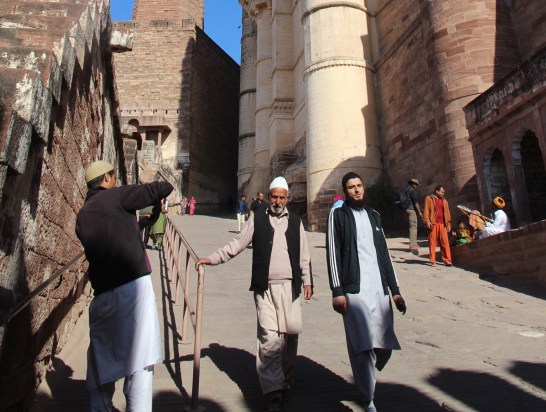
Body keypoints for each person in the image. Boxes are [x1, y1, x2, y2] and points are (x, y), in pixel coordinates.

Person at [196, 177, 312, 412]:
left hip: (290, 289)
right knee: (269, 339)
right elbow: (237, 244)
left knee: (290, 338)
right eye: (274, 197)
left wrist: (308, 281)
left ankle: (285, 382)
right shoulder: (257, 219)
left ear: (287, 198)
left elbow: (304, 255)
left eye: (281, 198)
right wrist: (214, 258)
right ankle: (273, 393)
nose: (278, 202)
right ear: (268, 197)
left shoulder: (297, 222)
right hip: (265, 289)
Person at [75, 160, 173, 411]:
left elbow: (114, 231)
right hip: (133, 290)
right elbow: (163, 187)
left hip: (103, 295)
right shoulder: (118, 196)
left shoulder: (83, 215)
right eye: (113, 176)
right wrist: (158, 198)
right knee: (140, 360)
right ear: (107, 178)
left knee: (100, 358)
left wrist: (144, 222)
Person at [327, 172, 406, 412]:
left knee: (383, 342)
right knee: (362, 345)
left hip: (379, 287)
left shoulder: (375, 216)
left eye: (359, 185)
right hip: (354, 289)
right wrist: (337, 290)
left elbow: (384, 254)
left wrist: (395, 290)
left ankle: (368, 375)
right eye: (351, 187)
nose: (357, 190)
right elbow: (333, 252)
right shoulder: (338, 215)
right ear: (345, 190)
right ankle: (368, 397)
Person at [423, 185, 452, 267]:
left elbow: (447, 213)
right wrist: (427, 221)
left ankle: (447, 260)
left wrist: (448, 224)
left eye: (443, 192)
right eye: (442, 192)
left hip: (443, 224)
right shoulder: (429, 199)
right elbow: (426, 211)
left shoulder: (444, 201)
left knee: (445, 242)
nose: (443, 193)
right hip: (433, 223)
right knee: (432, 242)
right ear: (437, 191)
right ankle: (432, 260)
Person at [399, 178, 423, 255]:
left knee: (412, 226)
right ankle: (413, 245)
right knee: (413, 227)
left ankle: (413, 243)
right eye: (416, 184)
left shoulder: (406, 190)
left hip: (406, 209)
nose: (416, 186)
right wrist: (419, 212)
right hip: (411, 210)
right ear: (413, 184)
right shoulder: (412, 191)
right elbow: (415, 203)